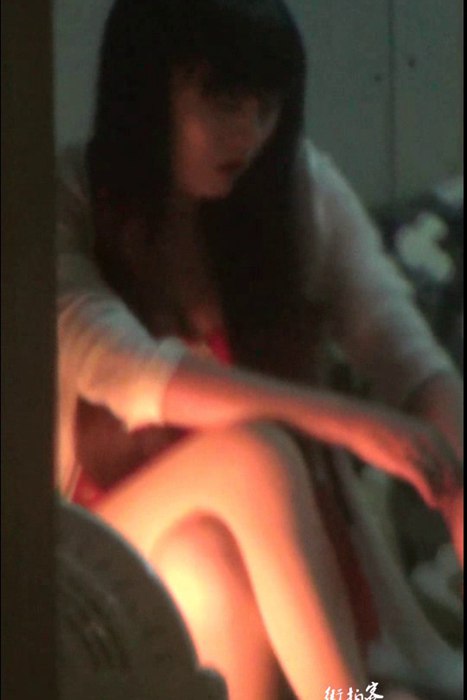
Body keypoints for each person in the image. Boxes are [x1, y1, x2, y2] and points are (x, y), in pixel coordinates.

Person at [56, 0, 463, 697]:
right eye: (223, 103)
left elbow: (408, 360)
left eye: (266, 107)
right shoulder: (65, 197)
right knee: (256, 453)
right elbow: (125, 368)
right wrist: (342, 420)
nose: (248, 133)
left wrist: (456, 488)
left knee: (207, 563)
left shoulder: (293, 188)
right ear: (146, 90)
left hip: (219, 577)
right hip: (102, 563)